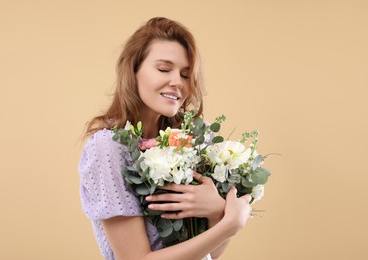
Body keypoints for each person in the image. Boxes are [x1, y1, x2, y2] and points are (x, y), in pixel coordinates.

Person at [79, 17, 252, 260]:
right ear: (133, 70)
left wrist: (216, 213)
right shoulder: (109, 148)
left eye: (185, 74)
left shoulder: (193, 140)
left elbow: (210, 253)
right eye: (163, 69)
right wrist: (229, 224)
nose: (177, 82)